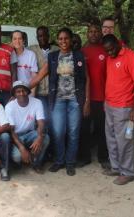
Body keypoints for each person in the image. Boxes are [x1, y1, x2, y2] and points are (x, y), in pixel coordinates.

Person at [30, 27, 87, 176]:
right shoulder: (53, 56)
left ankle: (70, 163)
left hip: (75, 100)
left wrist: (86, 101)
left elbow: (87, 80)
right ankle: (59, 161)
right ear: (58, 40)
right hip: (58, 100)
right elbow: (40, 75)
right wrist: (22, 89)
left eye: (66, 38)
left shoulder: (79, 56)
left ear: (70, 39)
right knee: (58, 132)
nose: (63, 41)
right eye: (60, 39)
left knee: (73, 133)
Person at [102, 34, 134, 185]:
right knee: (111, 139)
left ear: (118, 43)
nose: (110, 53)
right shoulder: (109, 58)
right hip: (110, 106)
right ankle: (116, 167)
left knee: (124, 141)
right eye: (107, 51)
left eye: (112, 49)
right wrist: (106, 101)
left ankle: (127, 172)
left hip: (124, 108)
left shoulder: (130, 56)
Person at [77, 24, 110, 169]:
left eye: (96, 31)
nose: (94, 34)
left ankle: (103, 157)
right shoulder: (81, 52)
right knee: (84, 129)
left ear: (100, 34)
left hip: (103, 98)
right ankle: (85, 157)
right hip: (86, 99)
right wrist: (85, 100)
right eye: (91, 32)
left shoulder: (107, 51)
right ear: (87, 34)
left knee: (102, 129)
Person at [6, 81, 49, 173]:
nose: (21, 93)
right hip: (16, 137)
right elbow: (11, 131)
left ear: (28, 92)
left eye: (24, 90)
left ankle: (36, 163)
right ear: (14, 94)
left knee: (45, 138)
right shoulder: (9, 107)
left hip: (30, 134)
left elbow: (41, 122)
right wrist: (22, 148)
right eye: (18, 91)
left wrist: (39, 136)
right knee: (17, 157)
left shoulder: (37, 102)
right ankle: (19, 161)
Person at [29, 26, 59, 125]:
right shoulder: (31, 50)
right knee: (43, 119)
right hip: (40, 92)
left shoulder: (56, 50)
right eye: (39, 36)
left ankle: (54, 140)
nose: (42, 38)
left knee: (54, 120)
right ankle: (46, 139)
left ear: (48, 36)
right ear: (37, 37)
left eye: (44, 35)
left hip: (54, 92)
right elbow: (17, 48)